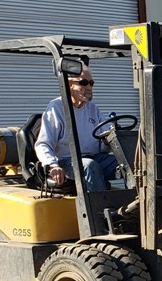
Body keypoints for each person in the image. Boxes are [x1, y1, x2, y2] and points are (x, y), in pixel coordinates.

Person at [35, 64, 118, 192]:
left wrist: (109, 140)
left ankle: (137, 206)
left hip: (94, 158)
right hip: (66, 161)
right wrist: (52, 165)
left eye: (91, 83)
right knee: (89, 166)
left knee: (129, 163)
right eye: (83, 83)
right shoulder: (57, 108)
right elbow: (42, 144)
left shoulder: (93, 109)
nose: (89, 87)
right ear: (69, 86)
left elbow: (104, 142)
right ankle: (99, 210)